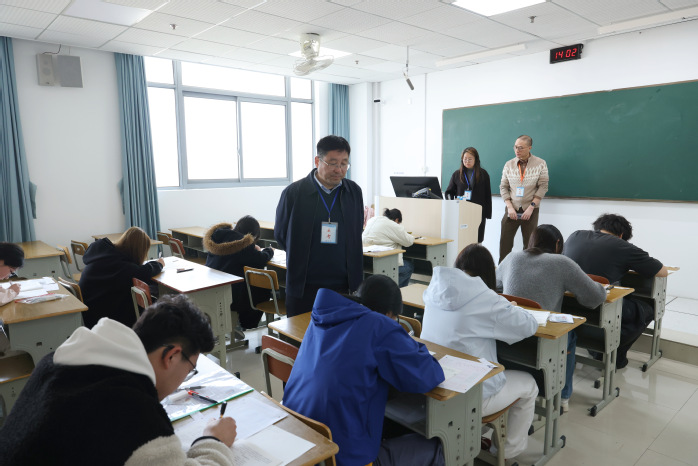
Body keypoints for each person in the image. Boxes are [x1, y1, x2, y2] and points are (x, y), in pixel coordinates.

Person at [0, 294, 237, 465]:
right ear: (172, 356)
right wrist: (213, 440)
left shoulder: (56, 361)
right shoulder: (134, 415)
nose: (184, 380)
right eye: (190, 369)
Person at [283, 275, 445, 466]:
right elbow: (429, 374)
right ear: (389, 314)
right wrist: (411, 344)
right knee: (437, 447)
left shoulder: (323, 318)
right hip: (344, 458)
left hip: (302, 446)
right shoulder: (379, 325)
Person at [421, 244, 538, 461]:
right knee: (530, 384)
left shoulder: (436, 290)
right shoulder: (486, 298)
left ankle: (479, 437)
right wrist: (509, 306)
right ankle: (504, 452)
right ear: (488, 271)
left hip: (434, 383)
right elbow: (529, 326)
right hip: (470, 395)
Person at [496, 224, 606, 411]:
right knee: (571, 336)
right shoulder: (562, 262)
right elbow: (594, 297)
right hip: (541, 339)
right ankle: (562, 397)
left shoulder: (512, 257)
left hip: (508, 337)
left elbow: (495, 286)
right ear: (557, 244)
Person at [563, 214, 669, 369]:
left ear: (598, 227)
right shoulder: (623, 247)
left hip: (569, 305)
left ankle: (597, 347)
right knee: (647, 310)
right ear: (621, 235)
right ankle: (614, 355)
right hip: (600, 306)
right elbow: (662, 271)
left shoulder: (575, 235)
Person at [274, 135, 364, 317]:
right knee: (301, 334)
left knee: (341, 333)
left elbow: (356, 232)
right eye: (333, 163)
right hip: (304, 287)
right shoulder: (294, 193)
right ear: (317, 161)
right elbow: (281, 235)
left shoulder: (353, 192)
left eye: (344, 164)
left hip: (345, 287)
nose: (339, 170)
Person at [79, 227, 164, 328]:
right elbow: (144, 272)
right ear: (139, 251)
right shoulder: (123, 267)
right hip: (101, 319)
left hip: (89, 311)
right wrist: (159, 264)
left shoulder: (106, 255)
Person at [204, 216, 275, 331]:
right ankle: (246, 323)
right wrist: (269, 250)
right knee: (263, 290)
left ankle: (237, 322)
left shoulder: (217, 237)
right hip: (231, 293)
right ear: (251, 234)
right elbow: (260, 259)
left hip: (213, 288)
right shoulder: (242, 243)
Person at [499, 135, 549, 263]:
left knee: (530, 246)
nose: (517, 150)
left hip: (531, 209)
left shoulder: (540, 163)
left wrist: (532, 207)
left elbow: (543, 186)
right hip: (512, 209)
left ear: (529, 148)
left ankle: (527, 271)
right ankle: (502, 271)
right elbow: (503, 187)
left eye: (521, 148)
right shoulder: (509, 164)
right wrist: (509, 207)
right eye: (515, 147)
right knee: (505, 244)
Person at [444, 147, 492, 243]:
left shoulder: (483, 174)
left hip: (478, 212)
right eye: (465, 159)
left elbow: (487, 194)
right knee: (462, 239)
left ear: (476, 159)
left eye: (470, 159)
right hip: (462, 212)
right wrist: (453, 203)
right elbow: (449, 192)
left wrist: (487, 214)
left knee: (477, 239)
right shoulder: (457, 174)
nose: (467, 161)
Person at [362, 208, 415, 287]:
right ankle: (394, 290)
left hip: (366, 261)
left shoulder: (372, 220)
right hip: (383, 263)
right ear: (397, 220)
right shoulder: (393, 225)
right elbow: (409, 242)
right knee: (409, 266)